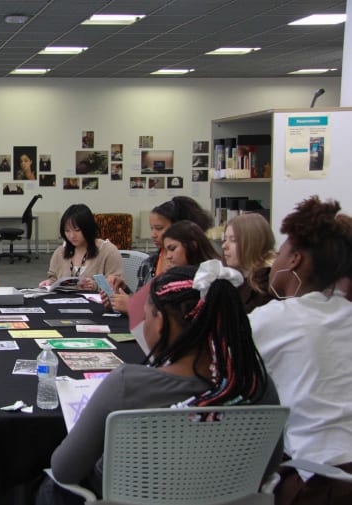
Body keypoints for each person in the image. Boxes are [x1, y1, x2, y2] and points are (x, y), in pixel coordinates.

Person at [41, 262, 280, 503]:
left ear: (161, 322)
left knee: (48, 488)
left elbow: (64, 469)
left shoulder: (126, 386)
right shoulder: (257, 384)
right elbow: (268, 466)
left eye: (145, 316)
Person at [249, 196, 352, 505]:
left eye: (280, 253)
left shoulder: (274, 318)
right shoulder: (345, 313)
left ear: (294, 260)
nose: (274, 262)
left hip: (320, 479)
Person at [105, 196, 212, 313]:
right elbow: (142, 300)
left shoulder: (201, 274)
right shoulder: (149, 264)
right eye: (152, 228)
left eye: (159, 228)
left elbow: (178, 315)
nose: (153, 234)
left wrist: (132, 306)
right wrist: (121, 293)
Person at [39, 204, 123, 291]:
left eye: (77, 230)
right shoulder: (60, 252)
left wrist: (95, 286)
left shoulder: (108, 251)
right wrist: (49, 283)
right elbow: (53, 278)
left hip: (96, 299)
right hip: (65, 299)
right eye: (67, 231)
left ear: (88, 228)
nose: (72, 236)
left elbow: (117, 286)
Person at [222, 213, 275, 312]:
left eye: (233, 240)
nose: (224, 246)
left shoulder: (265, 285)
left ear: (254, 242)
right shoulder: (235, 278)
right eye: (225, 239)